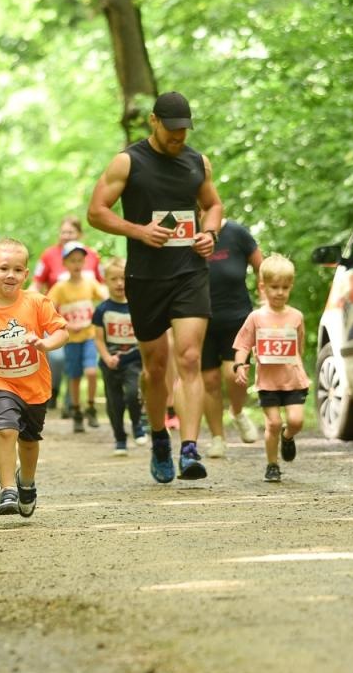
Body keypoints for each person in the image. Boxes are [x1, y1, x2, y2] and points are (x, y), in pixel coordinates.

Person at [87, 90, 223, 484]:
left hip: (189, 272)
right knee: (155, 366)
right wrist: (138, 231)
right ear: (154, 122)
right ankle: (160, 438)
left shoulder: (198, 162)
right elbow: (96, 212)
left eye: (185, 130)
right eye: (172, 129)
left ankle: (190, 449)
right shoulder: (128, 162)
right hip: (146, 277)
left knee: (190, 356)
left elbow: (213, 205)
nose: (179, 137)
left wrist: (209, 233)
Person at [0, 239, 68, 517]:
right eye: (3, 268)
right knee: (6, 429)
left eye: (17, 269)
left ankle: (27, 482)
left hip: (35, 385)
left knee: (29, 440)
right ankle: (7, 489)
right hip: (1, 382)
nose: (10, 275)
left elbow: (62, 331)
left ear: (25, 274)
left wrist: (46, 344)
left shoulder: (36, 302)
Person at [232, 255, 310, 483]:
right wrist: (239, 365)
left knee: (295, 422)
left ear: (291, 287)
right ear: (263, 287)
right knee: (273, 423)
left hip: (293, 380)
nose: (280, 292)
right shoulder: (256, 317)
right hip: (268, 383)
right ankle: (272, 464)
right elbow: (243, 344)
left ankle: (288, 437)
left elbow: (300, 345)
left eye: (285, 287)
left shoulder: (296, 316)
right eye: (274, 287)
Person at [202, 219, 263, 456]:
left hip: (237, 317)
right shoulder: (187, 232)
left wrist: (266, 299)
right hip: (200, 317)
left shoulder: (236, 233)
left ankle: (237, 411)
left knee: (234, 374)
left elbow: (263, 268)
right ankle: (218, 438)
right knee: (209, 381)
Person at [47, 241, 108, 432]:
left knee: (91, 371)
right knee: (74, 376)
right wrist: (64, 324)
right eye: (72, 261)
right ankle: (76, 411)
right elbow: (48, 308)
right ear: (65, 263)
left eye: (80, 260)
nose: (76, 264)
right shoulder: (60, 287)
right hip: (71, 339)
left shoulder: (90, 283)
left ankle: (90, 406)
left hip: (89, 336)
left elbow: (105, 296)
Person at [93, 257, 145, 455]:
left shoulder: (137, 306)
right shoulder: (102, 310)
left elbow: (143, 336)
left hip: (133, 360)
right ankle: (120, 438)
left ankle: (137, 424)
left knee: (133, 393)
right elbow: (98, 339)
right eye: (113, 279)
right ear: (105, 281)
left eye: (123, 278)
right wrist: (107, 357)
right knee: (114, 402)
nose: (119, 283)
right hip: (110, 364)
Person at [32, 215, 102, 293]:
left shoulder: (92, 254)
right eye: (63, 232)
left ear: (80, 234)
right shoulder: (48, 254)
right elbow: (36, 285)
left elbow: (103, 284)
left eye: (70, 232)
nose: (66, 236)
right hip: (55, 303)